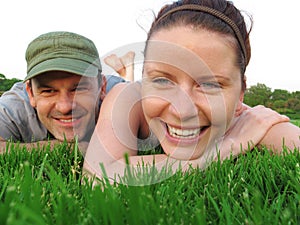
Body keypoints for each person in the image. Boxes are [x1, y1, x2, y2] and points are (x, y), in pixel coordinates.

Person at [83, 0, 300, 184]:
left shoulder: (251, 120)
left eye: (210, 85)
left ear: (240, 94)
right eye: (161, 80)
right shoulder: (126, 96)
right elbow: (97, 177)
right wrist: (225, 148)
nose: (182, 110)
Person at [0, 31, 128, 154]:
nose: (65, 107)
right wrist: (72, 148)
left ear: (102, 87)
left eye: (79, 89)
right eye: (48, 91)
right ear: (30, 93)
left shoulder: (121, 95)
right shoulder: (12, 108)